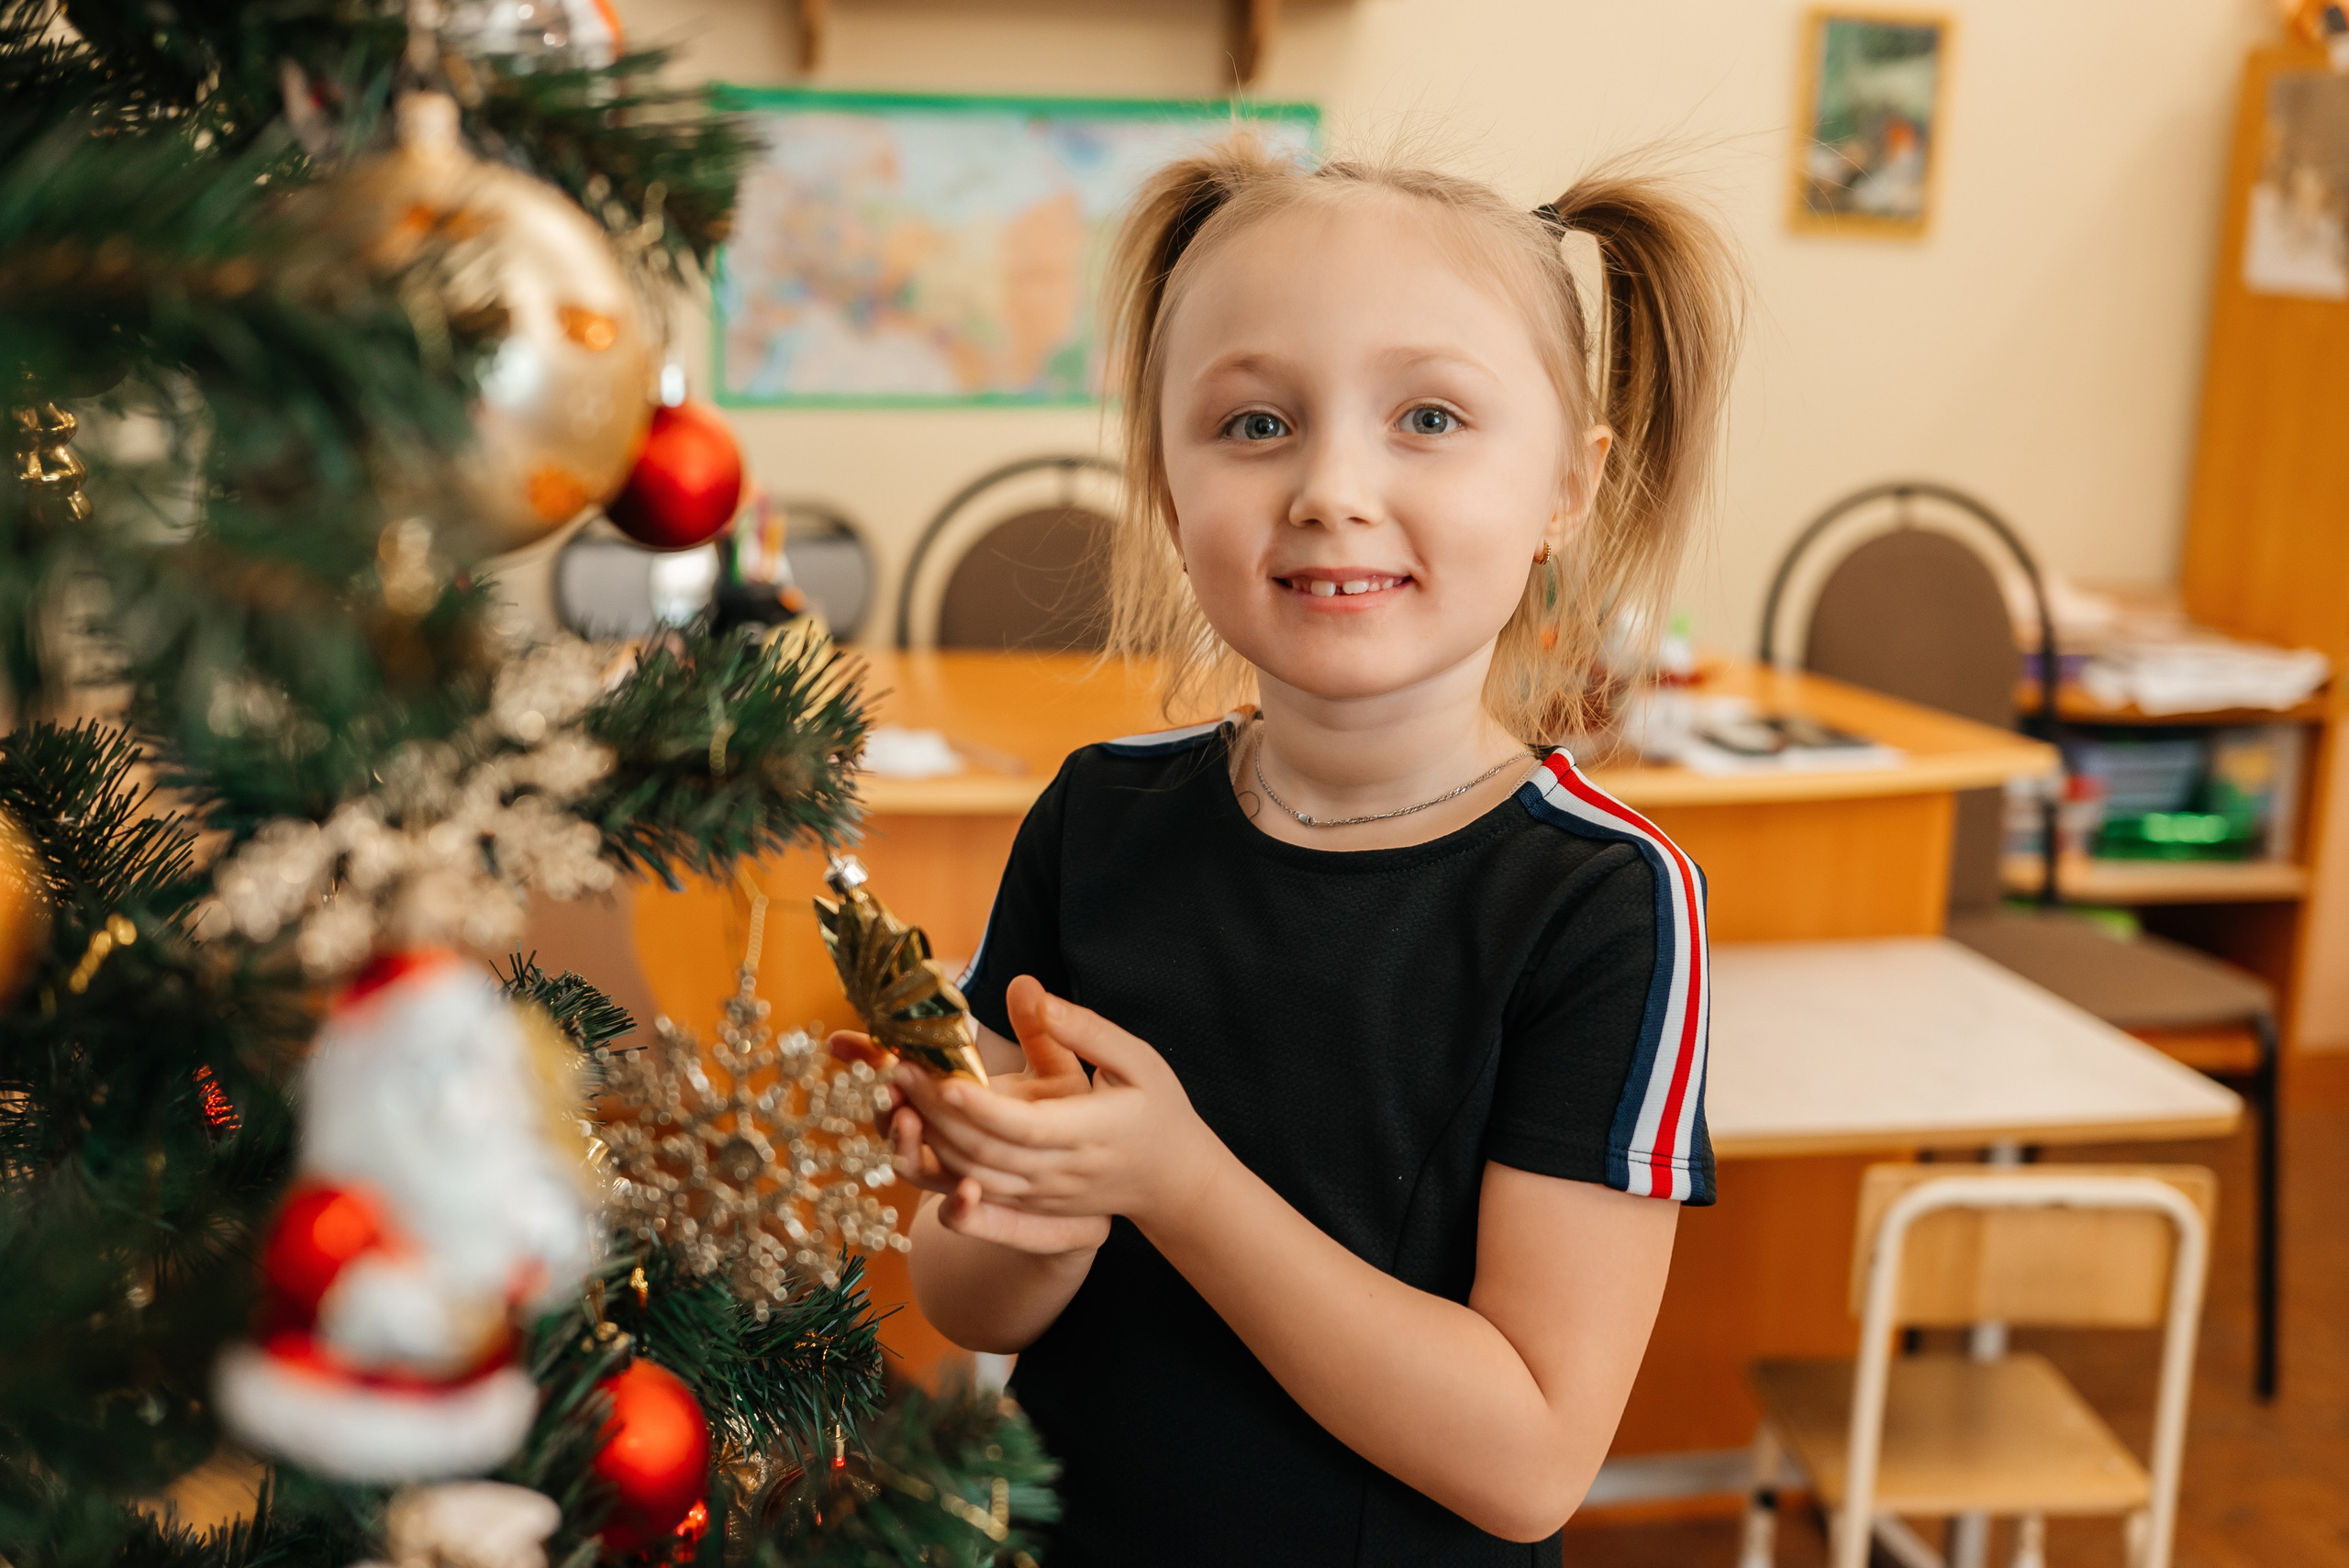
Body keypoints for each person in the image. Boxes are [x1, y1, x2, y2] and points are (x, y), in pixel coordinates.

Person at [841, 138, 1740, 1565]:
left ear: (1568, 487)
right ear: (1165, 473)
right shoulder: (1097, 815)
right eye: (1255, 424)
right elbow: (970, 1301)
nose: (1330, 484)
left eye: (1430, 417)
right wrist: (1034, 1203)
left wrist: (1176, 1181)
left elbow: (1530, 1462)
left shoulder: (1605, 899)